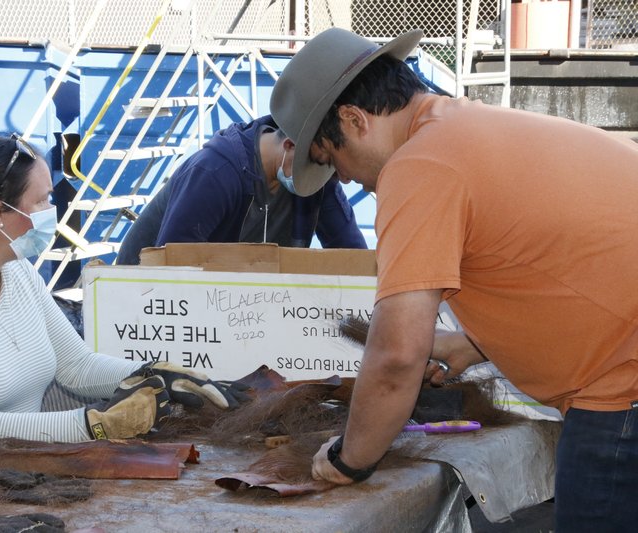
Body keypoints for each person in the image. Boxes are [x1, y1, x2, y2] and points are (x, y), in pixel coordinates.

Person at [270, 27, 638, 530]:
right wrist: (476, 344)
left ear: (354, 120)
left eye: (334, 159)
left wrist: (348, 460)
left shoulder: (420, 165)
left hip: (623, 396)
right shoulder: (462, 126)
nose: (347, 178)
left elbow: (396, 356)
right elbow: (564, 257)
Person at [0, 135, 243, 484]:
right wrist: (94, 424)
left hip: (2, 481)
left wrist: (153, 373)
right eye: (42, 201)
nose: (52, 212)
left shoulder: (18, 273)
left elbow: (77, 366)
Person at [115, 115, 366, 265]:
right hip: (144, 298)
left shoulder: (317, 175)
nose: (338, 178)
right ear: (290, 146)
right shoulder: (215, 173)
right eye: (323, 163)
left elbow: (354, 258)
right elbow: (171, 267)